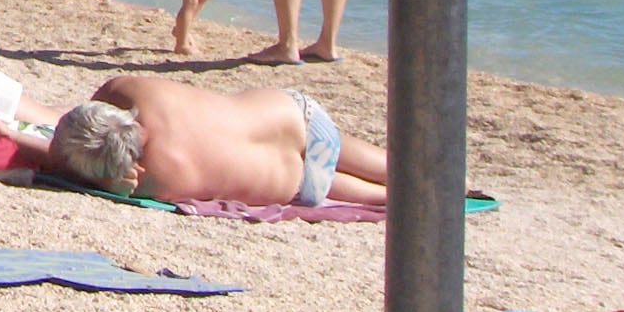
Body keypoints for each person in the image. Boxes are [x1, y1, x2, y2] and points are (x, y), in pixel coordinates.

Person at [20, 74, 389, 208]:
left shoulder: (153, 181)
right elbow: (82, 110)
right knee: (392, 165)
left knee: (390, 197)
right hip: (302, 120)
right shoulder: (131, 89)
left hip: (301, 185)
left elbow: (69, 169)